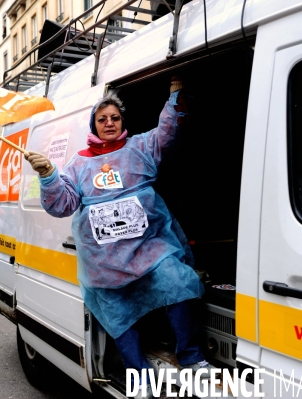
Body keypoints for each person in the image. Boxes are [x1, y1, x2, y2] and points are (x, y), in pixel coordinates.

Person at [25, 80, 210, 383]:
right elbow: (63, 204)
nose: (109, 123)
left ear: (122, 121)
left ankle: (190, 356)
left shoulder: (140, 147)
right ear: (93, 125)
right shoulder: (77, 165)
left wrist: (174, 94)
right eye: (102, 119)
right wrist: (49, 177)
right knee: (117, 313)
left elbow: (167, 131)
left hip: (147, 249)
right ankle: (139, 374)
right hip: (103, 261)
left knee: (179, 282)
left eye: (115, 117)